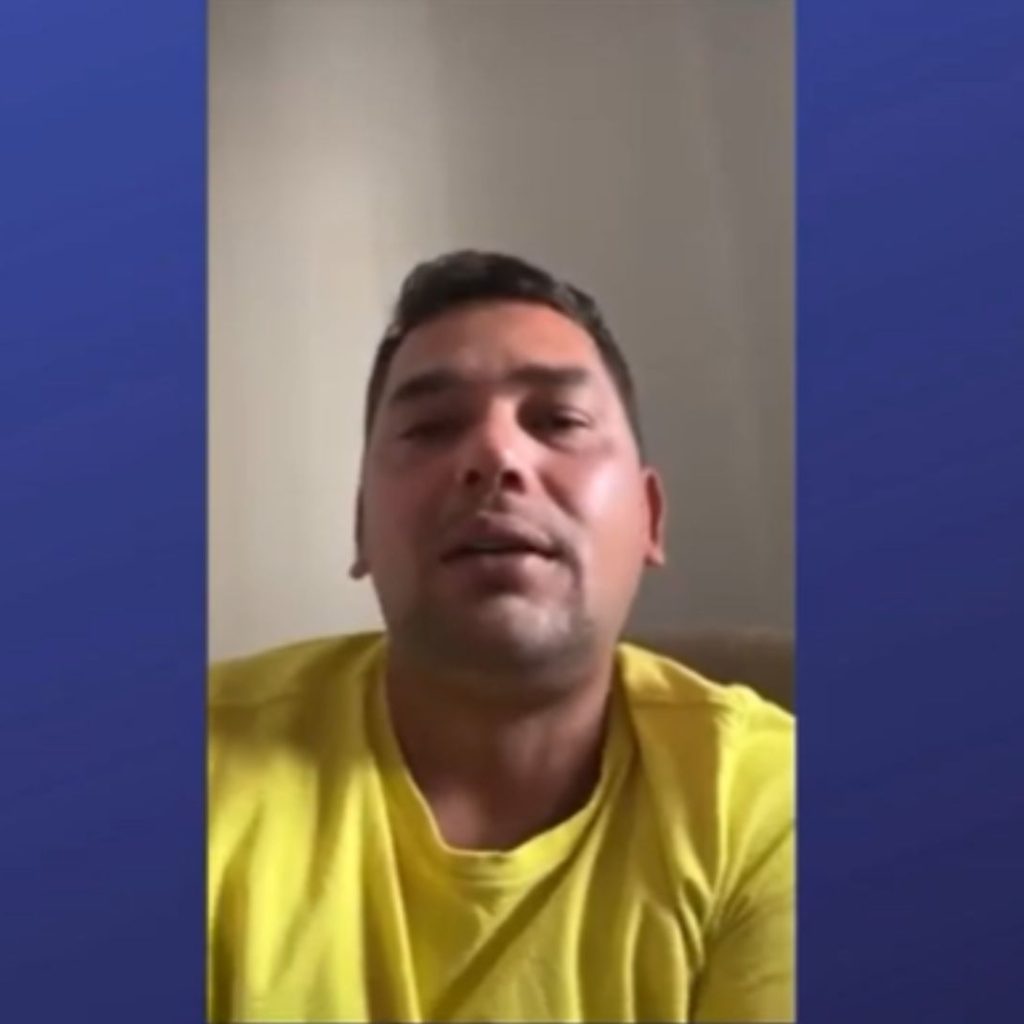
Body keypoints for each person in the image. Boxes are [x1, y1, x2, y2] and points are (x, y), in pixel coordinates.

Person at [207, 250, 795, 1023]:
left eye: (559, 421)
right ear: (361, 527)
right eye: (430, 427)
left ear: (649, 518)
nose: (494, 455)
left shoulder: (773, 806)